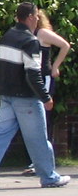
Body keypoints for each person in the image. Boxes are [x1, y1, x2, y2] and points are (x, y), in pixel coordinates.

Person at [0, 2, 70, 189]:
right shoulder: (30, 42)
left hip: (6, 95)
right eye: (36, 16)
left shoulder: (6, 37)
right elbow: (33, 73)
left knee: (0, 134)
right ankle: (49, 177)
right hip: (26, 97)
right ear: (32, 17)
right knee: (38, 138)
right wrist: (45, 97)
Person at [21, 11, 71, 176]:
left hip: (43, 78)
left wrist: (55, 66)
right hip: (31, 78)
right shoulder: (26, 35)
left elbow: (65, 45)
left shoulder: (42, 33)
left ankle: (44, 162)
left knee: (43, 117)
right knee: (34, 118)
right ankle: (38, 160)